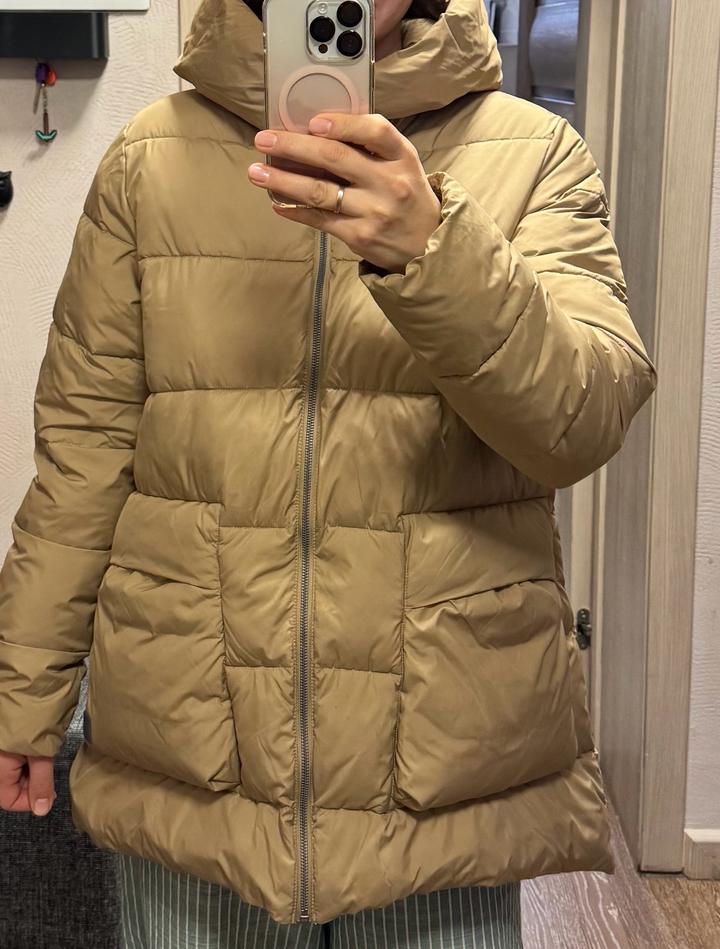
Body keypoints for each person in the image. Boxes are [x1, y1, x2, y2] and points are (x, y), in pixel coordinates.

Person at [0, 0, 657, 945]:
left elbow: (581, 421)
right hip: (194, 747)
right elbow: (82, 454)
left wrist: (435, 250)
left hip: (443, 770)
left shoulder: (535, 152)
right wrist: (25, 691)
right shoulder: (148, 161)